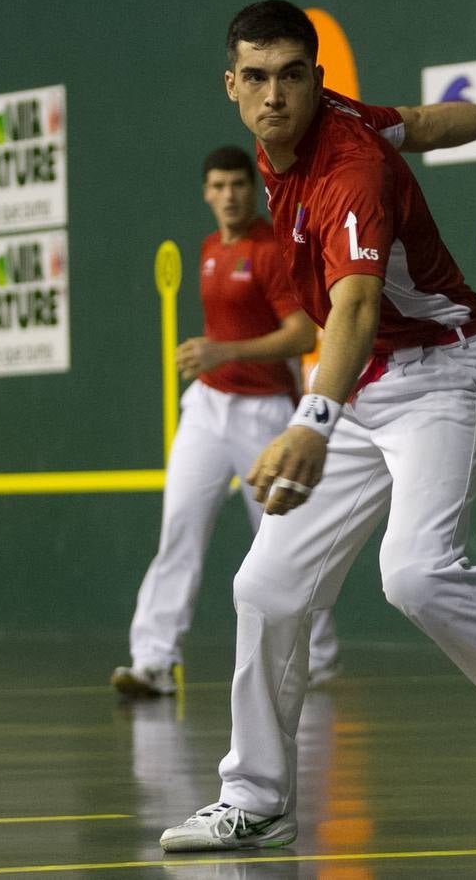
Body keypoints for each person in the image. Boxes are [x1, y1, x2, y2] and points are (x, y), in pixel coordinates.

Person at [159, 0, 476, 852]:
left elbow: (358, 306)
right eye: (256, 78)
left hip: (442, 375)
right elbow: (418, 121)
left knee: (413, 572)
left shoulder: (347, 170)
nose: (274, 96)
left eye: (291, 77)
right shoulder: (327, 124)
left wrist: (310, 420)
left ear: (314, 79)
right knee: (263, 588)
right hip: (364, 388)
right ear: (231, 86)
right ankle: (258, 798)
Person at [111, 145, 340, 697]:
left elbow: (302, 334)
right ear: (207, 193)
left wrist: (222, 351)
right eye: (218, 185)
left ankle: (317, 654)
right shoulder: (211, 248)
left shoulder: (271, 250)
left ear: (250, 190)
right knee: (179, 529)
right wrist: (216, 360)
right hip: (208, 408)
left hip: (265, 414)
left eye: (238, 184)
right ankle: (153, 661)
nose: (229, 195)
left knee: (281, 540)